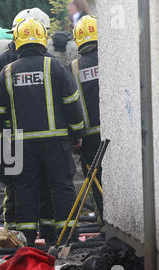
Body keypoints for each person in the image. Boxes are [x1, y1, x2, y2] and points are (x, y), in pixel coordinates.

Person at [0, 18, 85, 246]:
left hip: (22, 146)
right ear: (43, 39)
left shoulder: (8, 71)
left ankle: (26, 240)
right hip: (56, 143)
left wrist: (1, 140)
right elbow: (72, 103)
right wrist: (77, 133)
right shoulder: (56, 67)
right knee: (61, 186)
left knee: (25, 190)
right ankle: (66, 237)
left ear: (18, 41)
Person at [0, 8, 56, 244]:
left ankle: (44, 233)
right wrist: (0, 143)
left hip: (26, 140)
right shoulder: (3, 63)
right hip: (11, 138)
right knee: (14, 188)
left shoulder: (46, 61)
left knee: (43, 186)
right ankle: (15, 234)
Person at [70, 15, 103, 222]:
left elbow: (70, 103)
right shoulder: (111, 60)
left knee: (95, 181)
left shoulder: (73, 67)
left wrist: (75, 135)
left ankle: (103, 227)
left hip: (88, 138)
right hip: (117, 133)